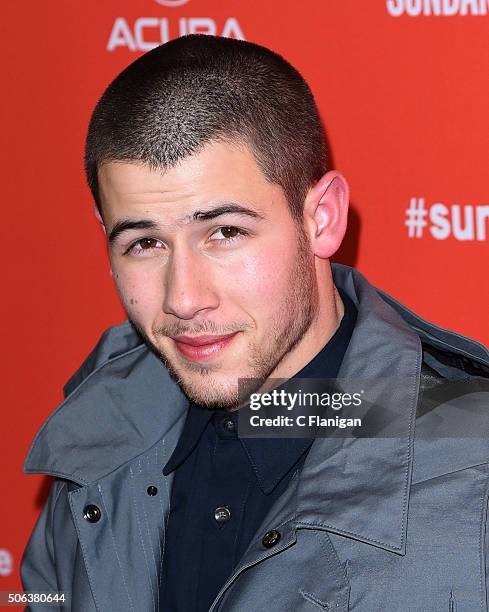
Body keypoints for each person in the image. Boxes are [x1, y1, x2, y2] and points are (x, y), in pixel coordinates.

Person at [21, 34, 489, 612]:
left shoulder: (471, 460)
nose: (184, 299)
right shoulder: (99, 437)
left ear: (321, 218)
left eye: (225, 233)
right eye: (144, 243)